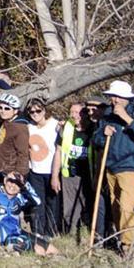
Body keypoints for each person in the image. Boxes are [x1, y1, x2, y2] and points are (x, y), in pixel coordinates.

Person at [92, 80, 134, 254]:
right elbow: (96, 140)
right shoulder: (107, 115)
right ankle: (122, 238)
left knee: (127, 207)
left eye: (118, 97)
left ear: (127, 98)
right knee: (116, 207)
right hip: (111, 167)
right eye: (112, 96)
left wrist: (127, 119)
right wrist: (102, 133)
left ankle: (128, 246)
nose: (114, 100)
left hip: (131, 167)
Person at [0, 171, 58, 255]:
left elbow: (37, 201)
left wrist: (25, 184)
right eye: (11, 181)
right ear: (5, 180)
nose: (13, 185)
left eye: (17, 184)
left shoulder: (19, 199)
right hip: (4, 240)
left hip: (18, 233)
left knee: (53, 250)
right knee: (40, 251)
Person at [24, 97, 62, 241]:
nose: (35, 114)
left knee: (52, 202)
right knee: (37, 202)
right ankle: (38, 231)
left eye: (38, 110)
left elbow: (60, 148)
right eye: (31, 111)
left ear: (44, 110)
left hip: (51, 170)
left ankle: (51, 232)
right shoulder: (30, 127)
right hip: (35, 170)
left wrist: (55, 175)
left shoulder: (55, 125)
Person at [59, 100, 92, 237]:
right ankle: (71, 233)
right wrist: (55, 175)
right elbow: (58, 151)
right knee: (69, 207)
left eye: (77, 112)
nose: (74, 115)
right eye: (71, 112)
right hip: (69, 174)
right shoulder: (67, 128)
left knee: (87, 205)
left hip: (88, 175)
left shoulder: (93, 129)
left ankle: (85, 233)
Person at [0, 94, 31, 180]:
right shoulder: (7, 121)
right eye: (0, 108)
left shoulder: (20, 127)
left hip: (12, 172)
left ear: (15, 111)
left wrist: (18, 174)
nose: (2, 111)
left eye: (7, 108)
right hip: (2, 168)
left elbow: (23, 153)